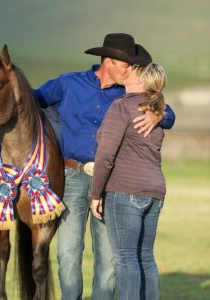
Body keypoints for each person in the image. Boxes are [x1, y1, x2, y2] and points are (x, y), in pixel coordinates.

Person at [34, 33, 175, 300]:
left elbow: (170, 113)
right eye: (128, 65)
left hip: (112, 181)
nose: (133, 70)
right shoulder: (68, 83)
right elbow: (34, 98)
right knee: (68, 253)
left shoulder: (130, 92)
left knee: (110, 259)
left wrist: (160, 114)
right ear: (109, 62)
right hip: (72, 176)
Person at [90, 58, 168, 300]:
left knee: (126, 259)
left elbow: (105, 156)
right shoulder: (153, 111)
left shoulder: (121, 107)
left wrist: (95, 194)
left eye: (134, 69)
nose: (128, 70)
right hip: (154, 192)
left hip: (125, 192)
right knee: (145, 257)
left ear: (142, 79)